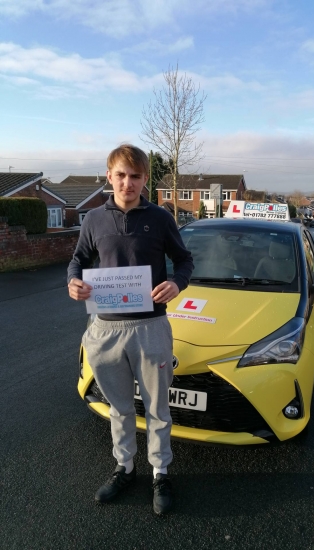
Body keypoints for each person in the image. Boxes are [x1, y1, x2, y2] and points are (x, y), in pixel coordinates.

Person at [67, 144, 193, 514]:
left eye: (136, 176)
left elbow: (184, 260)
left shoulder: (160, 217)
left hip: (151, 327)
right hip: (105, 330)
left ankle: (160, 472)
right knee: (119, 408)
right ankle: (124, 468)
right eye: (121, 175)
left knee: (157, 408)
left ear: (145, 179)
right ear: (109, 176)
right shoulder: (93, 220)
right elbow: (78, 260)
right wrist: (73, 282)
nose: (128, 182)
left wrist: (177, 283)